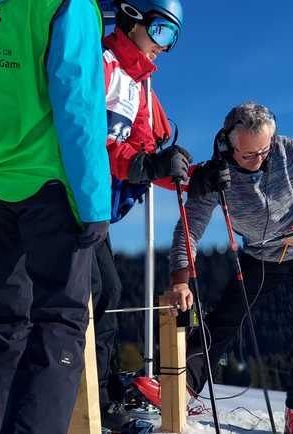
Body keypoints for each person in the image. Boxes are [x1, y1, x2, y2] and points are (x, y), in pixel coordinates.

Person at [0, 0, 111, 432]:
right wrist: (93, 203)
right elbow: (78, 103)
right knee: (60, 319)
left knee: (4, 318)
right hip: (47, 185)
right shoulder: (67, 5)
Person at [140, 102, 293, 434]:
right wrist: (180, 280)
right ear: (228, 146)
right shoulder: (214, 176)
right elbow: (189, 229)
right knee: (226, 317)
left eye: (265, 150)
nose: (260, 160)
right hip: (261, 255)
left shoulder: (292, 153)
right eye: (249, 155)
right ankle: (181, 387)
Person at [93, 1, 191, 430]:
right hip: (62, 201)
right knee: (93, 296)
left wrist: (192, 176)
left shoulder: (141, 85)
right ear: (133, 17)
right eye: (163, 33)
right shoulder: (101, 63)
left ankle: (96, 398)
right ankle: (79, 403)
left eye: (174, 40)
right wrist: (143, 166)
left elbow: (147, 155)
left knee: (105, 296)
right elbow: (85, 139)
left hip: (95, 209)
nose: (165, 50)